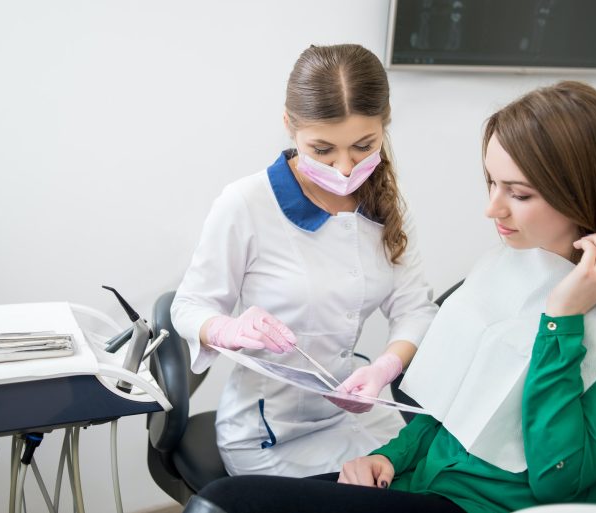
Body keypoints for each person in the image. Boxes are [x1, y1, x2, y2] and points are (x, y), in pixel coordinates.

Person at [181, 81, 596, 513]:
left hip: (483, 505)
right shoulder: (514, 262)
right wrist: (389, 458)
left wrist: (561, 321)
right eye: (491, 183)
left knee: (224, 505)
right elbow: (452, 407)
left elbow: (557, 476)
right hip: (417, 481)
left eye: (519, 193)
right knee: (222, 500)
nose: (492, 209)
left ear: (584, 191)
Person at [170, 43, 438, 477]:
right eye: (323, 150)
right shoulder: (246, 203)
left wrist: (386, 368)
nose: (346, 167)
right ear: (289, 127)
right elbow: (189, 307)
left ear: (384, 125)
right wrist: (229, 329)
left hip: (357, 411)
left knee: (429, 486)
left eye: (363, 146)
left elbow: (416, 309)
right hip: (269, 430)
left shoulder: (384, 201)